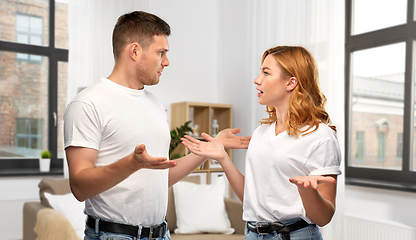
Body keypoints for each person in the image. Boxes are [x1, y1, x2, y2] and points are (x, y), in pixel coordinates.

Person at [63, 11, 250, 240]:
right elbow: (80, 187)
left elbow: (161, 177)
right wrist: (131, 164)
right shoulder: (88, 103)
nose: (166, 61)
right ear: (134, 51)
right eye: (161, 52)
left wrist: (211, 149)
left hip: (160, 234)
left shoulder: (155, 105)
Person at [182, 46, 342, 240]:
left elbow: (324, 217)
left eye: (266, 73)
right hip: (253, 234)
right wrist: (222, 158)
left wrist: (306, 191)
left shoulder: (320, 136)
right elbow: (250, 199)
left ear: (291, 83)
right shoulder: (262, 132)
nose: (257, 80)